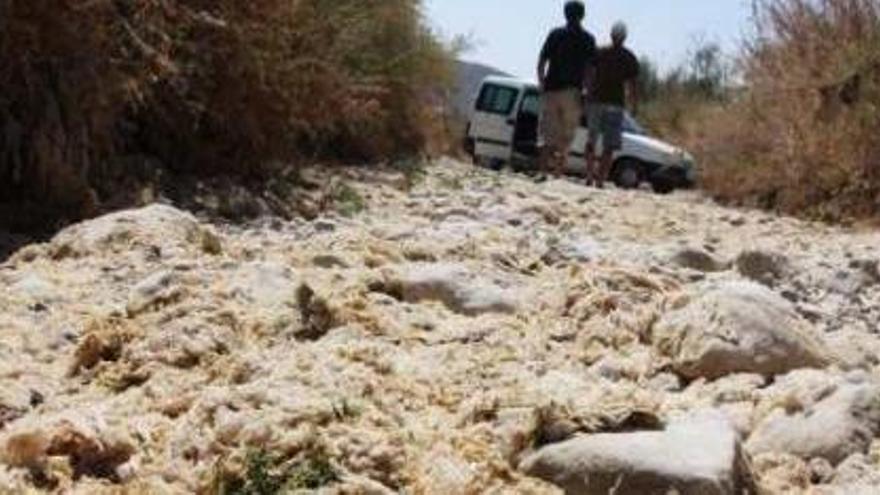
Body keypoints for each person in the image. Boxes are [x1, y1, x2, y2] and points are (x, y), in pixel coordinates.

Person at [537, 1, 596, 179]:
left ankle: (542, 172)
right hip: (573, 91)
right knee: (566, 136)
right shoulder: (588, 39)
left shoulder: (555, 34)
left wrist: (541, 83)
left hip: (552, 88)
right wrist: (587, 91)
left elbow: (542, 61)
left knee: (547, 133)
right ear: (582, 15)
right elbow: (590, 70)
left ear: (565, 14)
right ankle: (557, 173)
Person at [585, 22, 640, 187]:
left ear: (611, 34)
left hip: (596, 101)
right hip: (615, 104)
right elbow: (633, 85)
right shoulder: (629, 57)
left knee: (592, 140)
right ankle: (600, 180)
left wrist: (587, 90)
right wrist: (634, 104)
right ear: (624, 37)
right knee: (609, 145)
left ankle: (589, 175)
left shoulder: (600, 52)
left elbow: (588, 72)